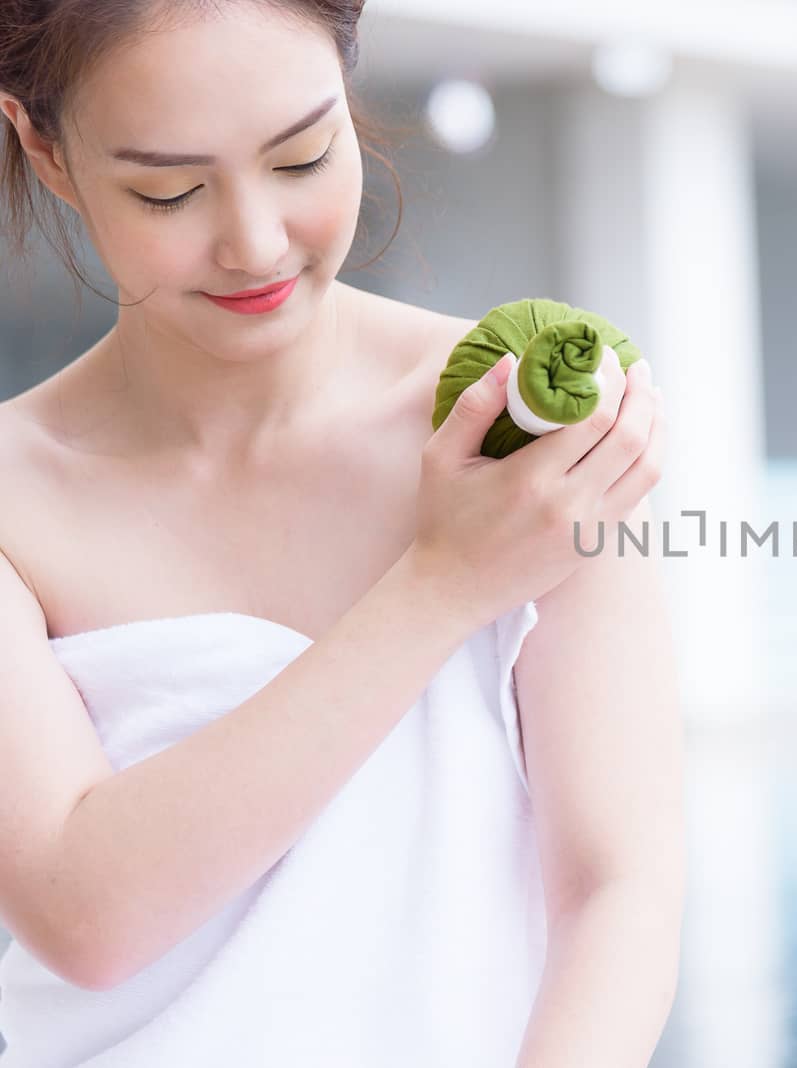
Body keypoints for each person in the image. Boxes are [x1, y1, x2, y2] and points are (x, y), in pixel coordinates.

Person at [0, 1, 684, 1065]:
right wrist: (442, 586)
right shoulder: (15, 496)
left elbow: (616, 888)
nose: (255, 241)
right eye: (168, 189)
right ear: (41, 146)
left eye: (302, 156)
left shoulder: (522, 424)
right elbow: (87, 917)